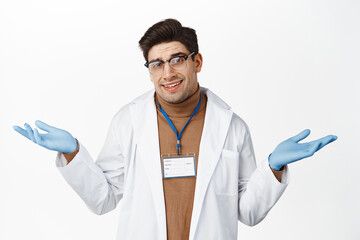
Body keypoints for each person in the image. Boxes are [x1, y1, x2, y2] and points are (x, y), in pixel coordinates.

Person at [13, 19, 337, 240]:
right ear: (150, 71)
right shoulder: (129, 120)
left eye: (177, 59)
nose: (167, 72)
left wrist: (273, 168)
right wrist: (72, 153)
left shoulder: (231, 127)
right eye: (157, 63)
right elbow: (104, 200)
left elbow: (247, 212)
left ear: (196, 62)